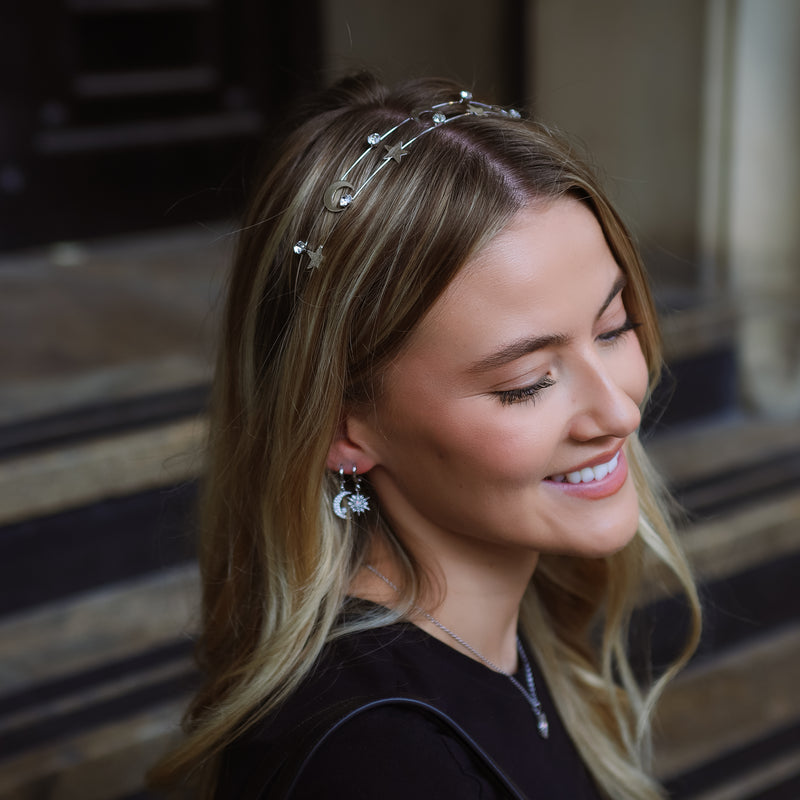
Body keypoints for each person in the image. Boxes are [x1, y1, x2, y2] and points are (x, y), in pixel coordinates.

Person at [149, 73, 701, 799]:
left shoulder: (504, 628)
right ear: (341, 427)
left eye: (613, 328)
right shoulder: (380, 764)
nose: (619, 413)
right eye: (526, 382)